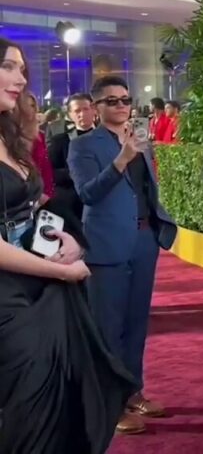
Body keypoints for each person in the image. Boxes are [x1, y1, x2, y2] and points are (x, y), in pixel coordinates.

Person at [0, 37, 137, 453]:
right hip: (10, 304)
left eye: (22, 69)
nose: (20, 79)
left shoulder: (9, 134)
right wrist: (62, 270)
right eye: (8, 67)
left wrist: (69, 241)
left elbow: (23, 213)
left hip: (41, 288)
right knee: (30, 415)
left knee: (64, 408)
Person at [68, 75, 179, 435]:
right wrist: (120, 160)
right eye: (112, 101)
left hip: (145, 239)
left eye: (125, 99)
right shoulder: (83, 146)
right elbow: (87, 194)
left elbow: (146, 188)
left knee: (136, 324)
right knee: (108, 328)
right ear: (96, 108)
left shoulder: (140, 140)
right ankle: (110, 405)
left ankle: (133, 393)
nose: (120, 106)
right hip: (106, 243)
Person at [47, 93, 95, 219]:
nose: (82, 114)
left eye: (86, 109)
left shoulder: (108, 137)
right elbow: (51, 173)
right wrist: (76, 173)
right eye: (77, 111)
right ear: (70, 114)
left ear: (94, 109)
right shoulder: (60, 141)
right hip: (73, 205)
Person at [21, 92, 54, 199]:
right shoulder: (8, 135)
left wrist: (47, 192)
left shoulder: (40, 136)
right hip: (19, 194)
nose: (30, 109)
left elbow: (45, 165)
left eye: (32, 105)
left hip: (41, 193)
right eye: (26, 105)